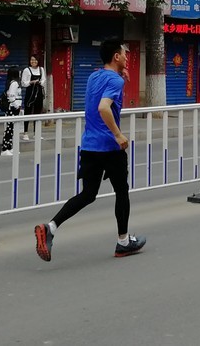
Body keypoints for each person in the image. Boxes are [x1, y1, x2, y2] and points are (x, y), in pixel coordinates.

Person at [35, 36, 145, 261]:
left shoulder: (94, 76)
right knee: (122, 191)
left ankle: (51, 227)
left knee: (87, 194)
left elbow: (99, 98)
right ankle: (123, 241)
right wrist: (118, 134)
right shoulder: (116, 81)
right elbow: (104, 107)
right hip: (109, 146)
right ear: (116, 57)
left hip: (89, 145)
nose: (127, 57)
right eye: (124, 53)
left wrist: (117, 76)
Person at [21, 55, 46, 141]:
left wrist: (39, 82)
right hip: (30, 93)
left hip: (38, 93)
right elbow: (23, 83)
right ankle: (25, 133)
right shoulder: (26, 70)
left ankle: (36, 133)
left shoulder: (41, 69)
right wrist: (31, 82)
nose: (33, 62)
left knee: (37, 113)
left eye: (35, 60)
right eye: (32, 60)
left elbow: (43, 80)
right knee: (27, 112)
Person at [0, 67, 22, 156]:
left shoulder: (12, 83)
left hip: (14, 107)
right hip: (12, 108)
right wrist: (16, 105)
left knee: (11, 129)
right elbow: (11, 96)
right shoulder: (14, 83)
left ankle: (9, 147)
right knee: (9, 129)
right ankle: (5, 149)